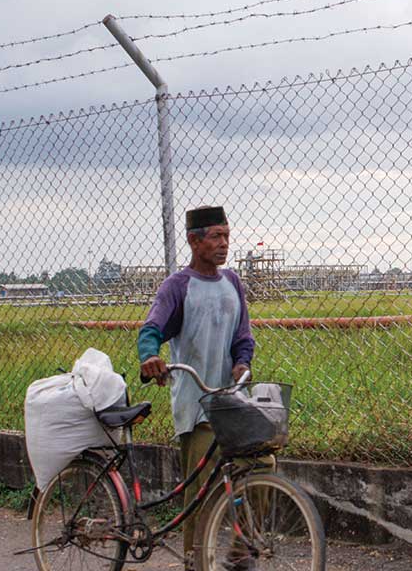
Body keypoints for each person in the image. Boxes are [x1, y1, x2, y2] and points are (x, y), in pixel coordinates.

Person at [137, 205, 259, 570]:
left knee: (259, 467)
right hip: (196, 403)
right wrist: (150, 357)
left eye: (227, 235)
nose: (224, 244)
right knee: (203, 492)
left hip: (231, 399)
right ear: (194, 240)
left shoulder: (233, 283)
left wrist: (242, 362)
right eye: (216, 236)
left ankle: (242, 551)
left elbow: (243, 337)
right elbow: (152, 330)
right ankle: (195, 562)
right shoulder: (178, 286)